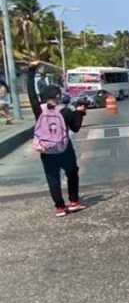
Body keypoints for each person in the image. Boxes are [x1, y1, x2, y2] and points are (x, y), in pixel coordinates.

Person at [27, 61, 87, 217]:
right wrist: (79, 112)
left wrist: (31, 70)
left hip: (46, 150)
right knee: (72, 172)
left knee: (52, 177)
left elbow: (31, 92)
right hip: (64, 148)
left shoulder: (38, 109)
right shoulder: (64, 111)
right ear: (58, 96)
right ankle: (73, 201)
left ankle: (60, 207)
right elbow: (75, 127)